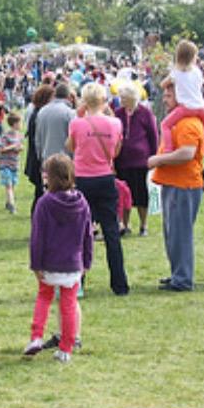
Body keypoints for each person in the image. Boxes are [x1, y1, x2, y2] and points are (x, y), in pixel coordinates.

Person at [23, 154, 92, 364]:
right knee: (69, 304)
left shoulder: (44, 203)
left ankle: (36, 337)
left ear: (49, 177)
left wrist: (35, 263)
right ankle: (66, 347)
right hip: (72, 263)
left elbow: (37, 237)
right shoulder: (82, 203)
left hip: (49, 262)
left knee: (44, 297)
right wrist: (86, 262)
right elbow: (87, 234)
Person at [66, 82, 129, 296]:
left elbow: (71, 147)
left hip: (83, 178)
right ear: (104, 100)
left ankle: (78, 281)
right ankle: (119, 284)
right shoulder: (115, 123)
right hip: (105, 177)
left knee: (80, 232)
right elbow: (116, 151)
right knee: (111, 231)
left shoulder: (77, 123)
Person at [149, 78, 204, 292]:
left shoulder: (188, 123)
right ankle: (178, 274)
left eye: (169, 96)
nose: (165, 100)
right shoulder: (179, 121)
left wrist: (158, 160)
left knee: (180, 234)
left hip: (184, 185)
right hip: (174, 183)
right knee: (173, 233)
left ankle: (182, 278)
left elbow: (187, 153)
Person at [113, 82, 158, 237]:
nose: (121, 100)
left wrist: (154, 157)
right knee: (124, 195)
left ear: (132, 98)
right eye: (121, 97)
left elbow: (153, 136)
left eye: (124, 97)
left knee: (141, 195)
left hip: (141, 161)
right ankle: (125, 224)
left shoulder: (145, 113)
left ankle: (143, 225)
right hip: (122, 161)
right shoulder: (117, 113)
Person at [24, 84, 55, 213]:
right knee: (40, 194)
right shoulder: (39, 115)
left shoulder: (37, 113)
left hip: (36, 158)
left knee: (40, 194)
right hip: (38, 160)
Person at [35, 83, 76, 163]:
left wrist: (40, 156)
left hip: (46, 159)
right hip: (65, 161)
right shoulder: (70, 113)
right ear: (68, 96)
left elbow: (38, 139)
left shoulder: (42, 111)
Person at [0, 113, 23, 214]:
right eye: (19, 123)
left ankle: (8, 202)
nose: (21, 124)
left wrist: (19, 148)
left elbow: (20, 147)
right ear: (14, 124)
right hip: (5, 164)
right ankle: (12, 206)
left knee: (12, 185)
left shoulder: (19, 135)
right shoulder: (5, 136)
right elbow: (1, 149)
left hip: (15, 164)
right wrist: (13, 146)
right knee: (8, 185)